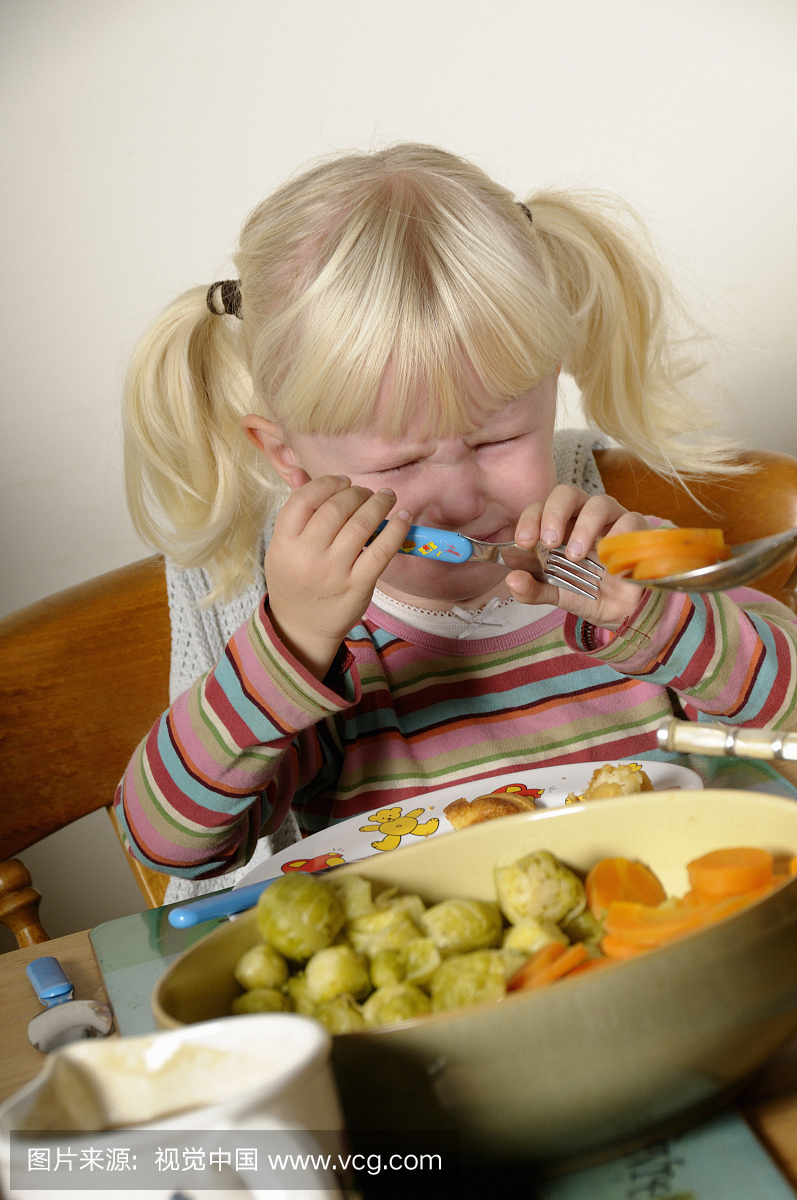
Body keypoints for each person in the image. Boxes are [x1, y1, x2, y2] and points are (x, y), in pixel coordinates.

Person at [115, 143, 797, 898]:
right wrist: (294, 645)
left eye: (495, 440)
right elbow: (171, 845)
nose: (459, 494)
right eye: (398, 465)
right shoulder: (326, 655)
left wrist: (658, 616)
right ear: (288, 459)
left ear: (549, 390)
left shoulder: (624, 575)